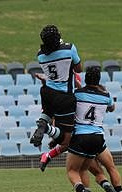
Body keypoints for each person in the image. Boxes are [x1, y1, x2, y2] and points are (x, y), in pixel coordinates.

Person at [66, 66, 122, 192]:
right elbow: (112, 107)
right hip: (98, 138)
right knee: (110, 167)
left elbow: (72, 102)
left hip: (81, 137)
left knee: (74, 170)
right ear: (99, 80)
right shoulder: (105, 96)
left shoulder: (77, 94)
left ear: (86, 78)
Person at [29, 24, 82, 171]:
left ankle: (42, 123)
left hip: (47, 91)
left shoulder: (40, 54)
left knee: (47, 112)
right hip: (64, 97)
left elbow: (55, 73)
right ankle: (46, 129)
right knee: (66, 139)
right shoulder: (69, 49)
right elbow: (79, 69)